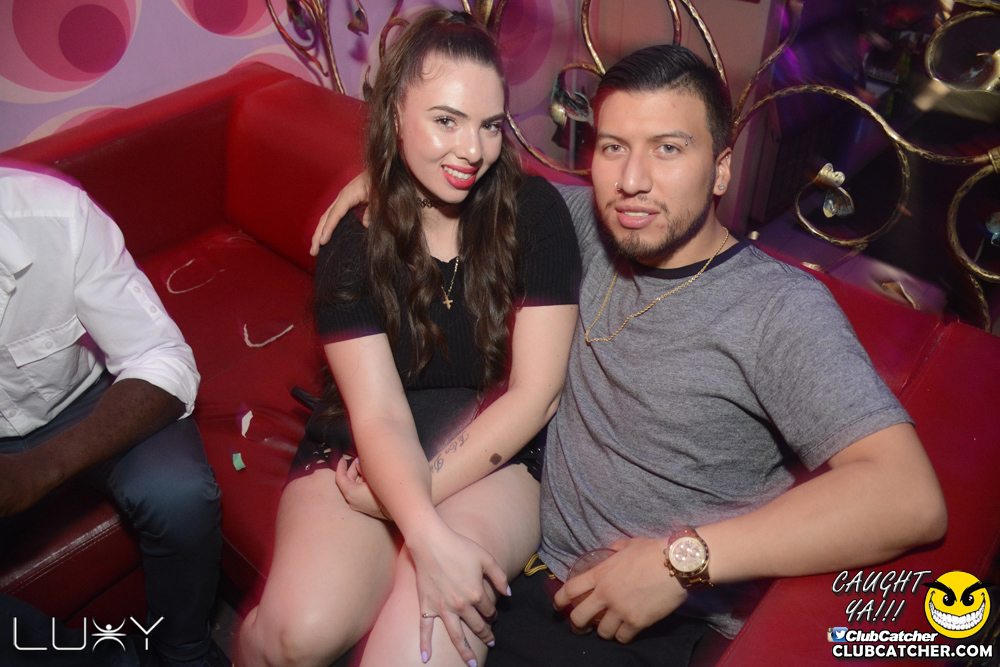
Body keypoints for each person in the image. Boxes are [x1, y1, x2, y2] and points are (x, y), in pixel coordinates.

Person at [310, 44, 947, 667]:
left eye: (668, 148)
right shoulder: (580, 225)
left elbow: (907, 497)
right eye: (614, 147)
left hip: (646, 626)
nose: (633, 182)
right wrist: (385, 180)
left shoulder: (777, 310)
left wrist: (683, 562)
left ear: (721, 169)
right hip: (523, 566)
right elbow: (465, 175)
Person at [237, 10, 579, 667]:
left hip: (496, 450)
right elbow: (379, 414)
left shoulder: (534, 215)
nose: (472, 150)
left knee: (416, 649)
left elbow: (536, 395)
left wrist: (409, 506)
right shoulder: (354, 241)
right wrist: (421, 526)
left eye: (489, 125)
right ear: (395, 112)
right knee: (296, 635)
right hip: (365, 444)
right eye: (446, 120)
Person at [0, 164, 226, 667]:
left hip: (87, 398)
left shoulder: (56, 214)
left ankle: (184, 652)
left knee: (180, 496)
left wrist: (41, 469)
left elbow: (161, 357)